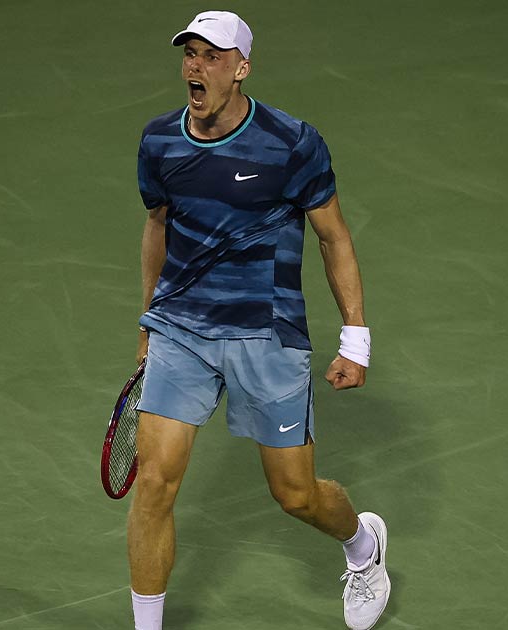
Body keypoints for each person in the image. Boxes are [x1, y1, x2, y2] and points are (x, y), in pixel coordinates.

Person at [128, 11, 390, 630]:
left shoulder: (292, 143)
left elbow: (333, 236)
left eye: (212, 56)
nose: (196, 66)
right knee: (154, 485)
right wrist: (148, 323)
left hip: (267, 333)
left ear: (242, 68)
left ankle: (363, 544)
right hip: (182, 330)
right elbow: (157, 226)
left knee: (295, 495)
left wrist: (355, 337)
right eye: (190, 54)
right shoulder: (159, 141)